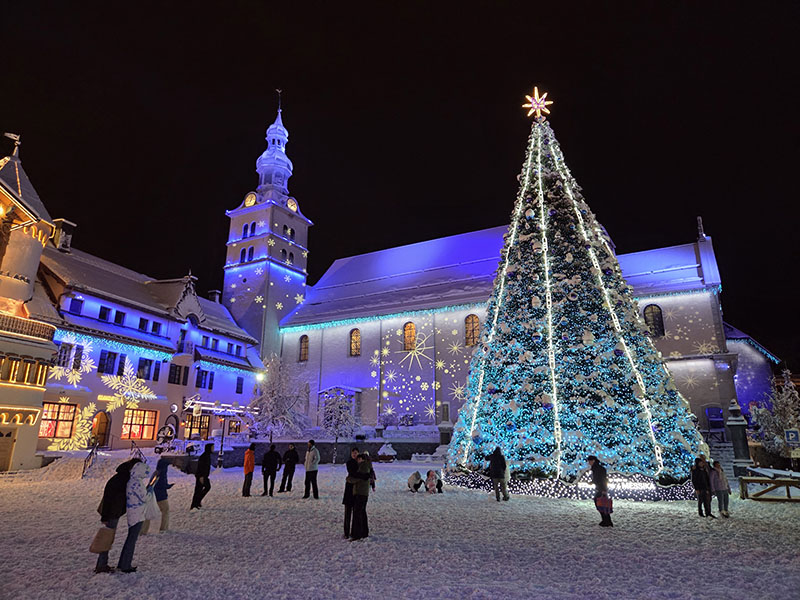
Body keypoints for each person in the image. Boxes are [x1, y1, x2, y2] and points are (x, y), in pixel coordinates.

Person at [95, 458, 139, 573]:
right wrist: (105, 517)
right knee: (107, 538)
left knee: (108, 537)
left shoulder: (122, 477)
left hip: (113, 511)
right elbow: (109, 498)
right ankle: (101, 565)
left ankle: (102, 564)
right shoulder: (122, 479)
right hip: (112, 512)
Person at [117, 460, 151, 572]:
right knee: (131, 540)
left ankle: (123, 563)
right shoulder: (137, 483)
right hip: (137, 514)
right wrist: (150, 490)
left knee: (130, 539)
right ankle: (125, 565)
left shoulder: (132, 480)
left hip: (133, 513)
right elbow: (144, 498)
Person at [349, 453, 372, 540]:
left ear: (362, 459)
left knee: (357, 513)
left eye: (359, 459)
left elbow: (357, 478)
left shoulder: (363, 466)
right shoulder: (367, 466)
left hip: (360, 492)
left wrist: (349, 479)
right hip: (363, 492)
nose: (358, 461)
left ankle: (357, 534)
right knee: (362, 512)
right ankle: (364, 532)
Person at [587, 455, 613, 527]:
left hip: (601, 488)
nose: (589, 463)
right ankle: (607, 520)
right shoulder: (598, 468)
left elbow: (599, 479)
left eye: (589, 461)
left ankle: (606, 521)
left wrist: (603, 488)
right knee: (602, 504)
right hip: (601, 487)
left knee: (600, 503)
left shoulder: (597, 468)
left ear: (593, 461)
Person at [152, 457, 173, 531]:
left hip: (155, 494)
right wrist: (168, 486)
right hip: (161, 496)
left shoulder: (156, 472)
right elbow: (161, 484)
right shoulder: (162, 474)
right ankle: (164, 528)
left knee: (163, 510)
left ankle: (163, 527)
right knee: (165, 510)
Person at [343, 447, 360, 538]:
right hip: (349, 489)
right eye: (353, 453)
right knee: (348, 512)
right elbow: (353, 473)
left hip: (357, 489)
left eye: (355, 453)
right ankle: (346, 532)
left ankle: (354, 531)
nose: (354, 454)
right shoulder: (350, 462)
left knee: (356, 512)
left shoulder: (361, 463)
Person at [191, 444, 213, 510]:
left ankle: (196, 503)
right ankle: (195, 503)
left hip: (203, 475)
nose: (213, 449)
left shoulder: (207, 455)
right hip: (201, 476)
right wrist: (201, 476)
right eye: (212, 448)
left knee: (199, 489)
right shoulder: (204, 456)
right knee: (204, 488)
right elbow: (201, 467)